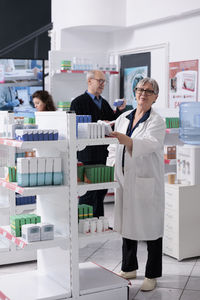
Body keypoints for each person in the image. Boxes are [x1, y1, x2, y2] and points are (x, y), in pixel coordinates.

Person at [107, 78, 165, 291]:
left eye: (149, 91)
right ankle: (129, 267)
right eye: (140, 89)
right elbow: (113, 146)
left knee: (152, 228)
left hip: (146, 180)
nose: (143, 94)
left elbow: (151, 144)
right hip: (125, 178)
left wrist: (128, 141)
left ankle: (152, 274)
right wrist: (112, 164)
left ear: (155, 97)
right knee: (128, 224)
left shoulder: (157, 121)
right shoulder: (123, 117)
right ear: (135, 92)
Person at [70, 70, 126, 217]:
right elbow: (76, 128)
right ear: (89, 81)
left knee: (101, 190)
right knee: (88, 191)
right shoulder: (78, 102)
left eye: (104, 81)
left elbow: (113, 124)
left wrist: (119, 112)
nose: (102, 84)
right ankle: (83, 222)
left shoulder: (104, 102)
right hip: (87, 154)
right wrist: (99, 125)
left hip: (103, 153)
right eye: (99, 81)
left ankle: (99, 222)